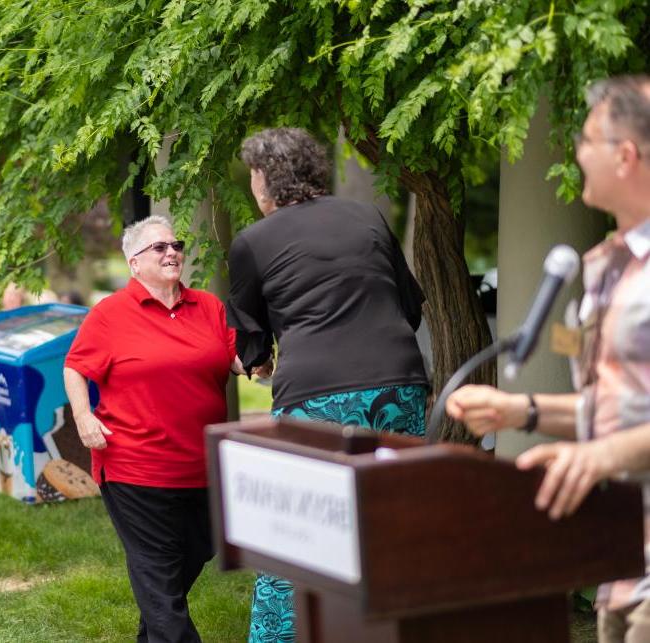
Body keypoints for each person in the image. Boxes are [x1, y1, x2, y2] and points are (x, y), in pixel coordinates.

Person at [446, 75, 650, 643]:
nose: (576, 152)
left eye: (586, 141)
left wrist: (607, 452)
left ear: (626, 155)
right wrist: (521, 411)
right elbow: (621, 409)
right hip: (620, 560)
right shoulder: (606, 264)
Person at [227, 127, 429, 641]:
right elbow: (409, 303)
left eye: (253, 175)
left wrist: (257, 361)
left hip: (318, 391)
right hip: (397, 381)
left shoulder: (253, 241)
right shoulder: (367, 217)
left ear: (267, 182)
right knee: (395, 516)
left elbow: (249, 329)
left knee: (297, 525)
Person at [63, 215, 241, 642]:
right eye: (159, 247)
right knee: (159, 573)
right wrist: (84, 417)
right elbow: (75, 367)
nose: (172, 252)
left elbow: (237, 358)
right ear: (133, 263)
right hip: (135, 467)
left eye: (176, 245)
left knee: (197, 551)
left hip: (201, 465)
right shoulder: (110, 314)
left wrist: (266, 362)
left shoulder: (208, 307)